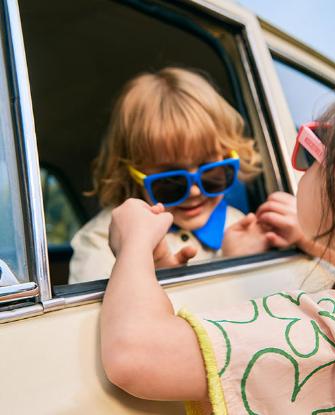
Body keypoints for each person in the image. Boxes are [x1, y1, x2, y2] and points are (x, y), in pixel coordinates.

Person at [101, 69, 335, 414]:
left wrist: (132, 245)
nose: (299, 165)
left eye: (312, 153)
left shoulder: (333, 339)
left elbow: (135, 355)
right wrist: (314, 242)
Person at [68, 67, 266, 284]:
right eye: (171, 181)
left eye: (211, 172)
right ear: (133, 175)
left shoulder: (239, 225)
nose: (194, 191)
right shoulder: (102, 240)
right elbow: (97, 317)